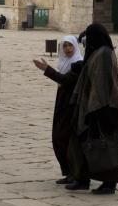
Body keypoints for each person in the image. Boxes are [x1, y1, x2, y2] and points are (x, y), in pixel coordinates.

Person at [65, 23, 118, 195]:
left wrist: (97, 107)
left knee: (105, 146)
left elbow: (102, 82)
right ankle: (82, 178)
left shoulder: (104, 54)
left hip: (102, 106)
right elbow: (90, 70)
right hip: (91, 105)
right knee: (84, 142)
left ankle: (109, 182)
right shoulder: (97, 51)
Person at [32, 35, 84, 185]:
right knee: (59, 139)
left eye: (70, 46)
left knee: (63, 139)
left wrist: (47, 70)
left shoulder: (78, 63)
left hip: (72, 106)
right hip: (62, 104)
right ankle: (69, 173)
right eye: (65, 46)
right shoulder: (65, 62)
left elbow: (66, 80)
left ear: (75, 46)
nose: (67, 49)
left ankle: (76, 173)